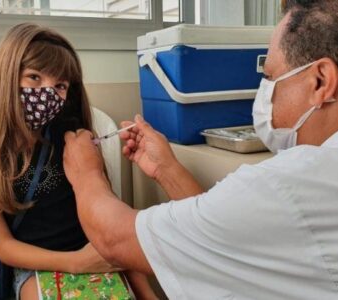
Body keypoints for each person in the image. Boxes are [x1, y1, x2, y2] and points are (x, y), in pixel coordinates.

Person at [62, 1, 338, 299]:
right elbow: (227, 237)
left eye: (269, 77)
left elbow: (116, 239)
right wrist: (166, 169)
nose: (263, 92)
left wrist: (86, 172)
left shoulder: (289, 185)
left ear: (321, 80)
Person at [0, 23, 156, 299]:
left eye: (59, 85)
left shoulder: (69, 134)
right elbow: (4, 247)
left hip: (95, 248)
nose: (47, 94)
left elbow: (107, 213)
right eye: (34, 77)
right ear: (7, 77)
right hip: (33, 264)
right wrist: (77, 263)